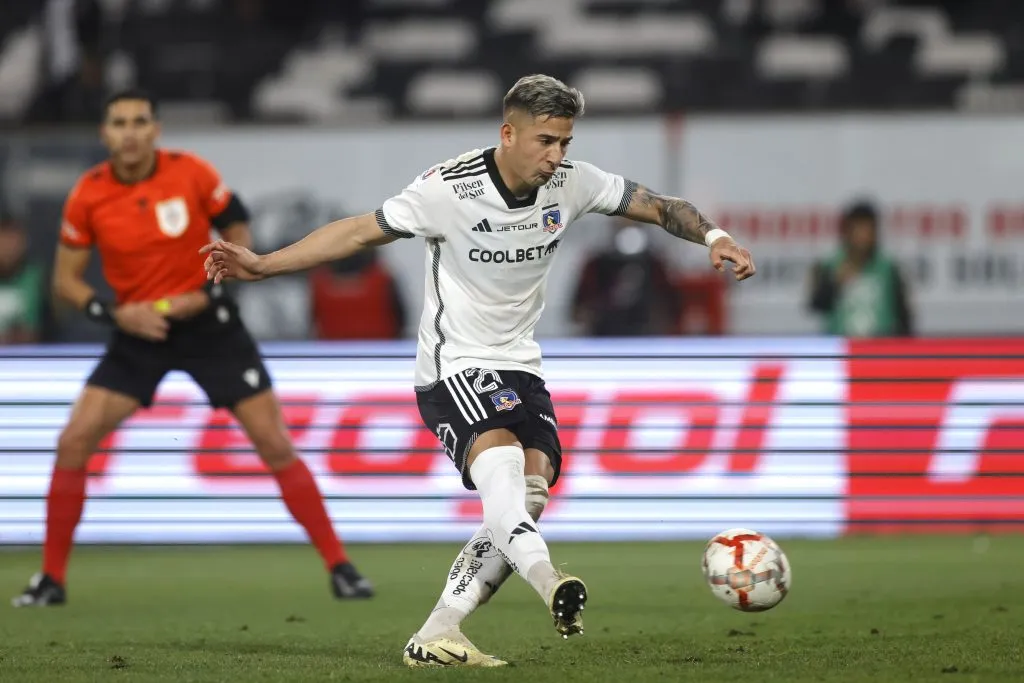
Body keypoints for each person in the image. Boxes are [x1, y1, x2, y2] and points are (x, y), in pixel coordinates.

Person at [201, 74, 756, 667]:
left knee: (530, 494)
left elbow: (662, 207)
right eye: (545, 141)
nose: (556, 156)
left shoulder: (571, 182)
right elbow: (360, 230)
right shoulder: (448, 188)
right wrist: (265, 265)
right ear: (508, 134)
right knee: (503, 475)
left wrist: (714, 236)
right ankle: (550, 582)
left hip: (522, 366)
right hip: (454, 365)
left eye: (564, 142)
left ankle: (438, 632)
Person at [12, 89, 373, 608]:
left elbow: (237, 224)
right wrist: (116, 314)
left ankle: (341, 567)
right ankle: (50, 579)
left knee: (274, 443)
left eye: (140, 121)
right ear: (105, 134)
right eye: (119, 123)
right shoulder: (88, 194)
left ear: (155, 130)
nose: (130, 132)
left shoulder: (191, 173)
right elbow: (65, 283)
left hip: (209, 327)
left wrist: (211, 286)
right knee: (74, 442)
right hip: (138, 329)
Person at [807, 200, 913, 337]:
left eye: (869, 230)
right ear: (847, 232)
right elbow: (815, 305)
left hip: (880, 343)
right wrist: (834, 284)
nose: (864, 237)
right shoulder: (830, 266)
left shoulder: (889, 269)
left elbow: (903, 316)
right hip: (841, 342)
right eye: (859, 230)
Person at [571, 216, 682, 336]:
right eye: (622, 222)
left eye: (633, 222)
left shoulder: (655, 263)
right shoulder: (597, 263)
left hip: (646, 336)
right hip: (605, 336)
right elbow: (579, 310)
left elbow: (672, 307)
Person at [0, 215, 46, 344]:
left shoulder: (36, 278)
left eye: (13, 241)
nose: (8, 248)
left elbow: (36, 331)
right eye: (3, 241)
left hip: (26, 353)